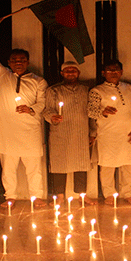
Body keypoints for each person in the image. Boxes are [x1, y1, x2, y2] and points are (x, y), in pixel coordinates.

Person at [0, 18, 48, 208]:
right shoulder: (2, 75)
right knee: (8, 168)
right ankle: (9, 196)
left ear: (27, 62)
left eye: (22, 60)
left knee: (34, 168)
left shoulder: (38, 81)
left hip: (30, 130)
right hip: (7, 130)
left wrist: (31, 109)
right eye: (14, 60)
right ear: (9, 62)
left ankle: (36, 197)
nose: (18, 62)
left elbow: (43, 102)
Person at [89, 60, 131, 205]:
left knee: (129, 164)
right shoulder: (97, 91)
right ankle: (109, 194)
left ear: (121, 72)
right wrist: (103, 111)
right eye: (110, 70)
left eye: (116, 70)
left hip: (128, 132)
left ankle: (128, 193)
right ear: (103, 73)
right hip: (108, 134)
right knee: (107, 165)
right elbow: (91, 111)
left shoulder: (130, 89)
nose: (113, 73)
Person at [42, 61, 94, 206]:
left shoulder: (86, 90)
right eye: (67, 70)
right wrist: (52, 117)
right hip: (60, 132)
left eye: (74, 70)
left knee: (82, 164)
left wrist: (93, 133)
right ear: (62, 73)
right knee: (59, 164)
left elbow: (92, 113)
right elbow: (47, 109)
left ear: (78, 73)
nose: (70, 73)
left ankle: (82, 195)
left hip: (81, 132)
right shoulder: (53, 90)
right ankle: (60, 196)